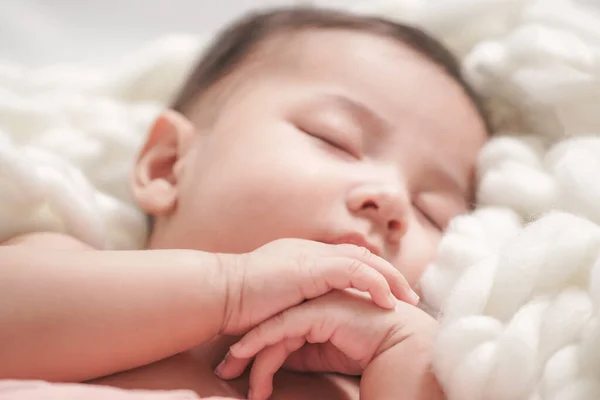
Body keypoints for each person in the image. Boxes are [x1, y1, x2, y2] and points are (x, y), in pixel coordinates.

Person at [0, 6, 488, 400]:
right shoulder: (64, 271)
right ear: (168, 165)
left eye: (432, 211)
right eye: (334, 139)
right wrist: (229, 288)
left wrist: (404, 351)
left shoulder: (347, 389)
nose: (391, 200)